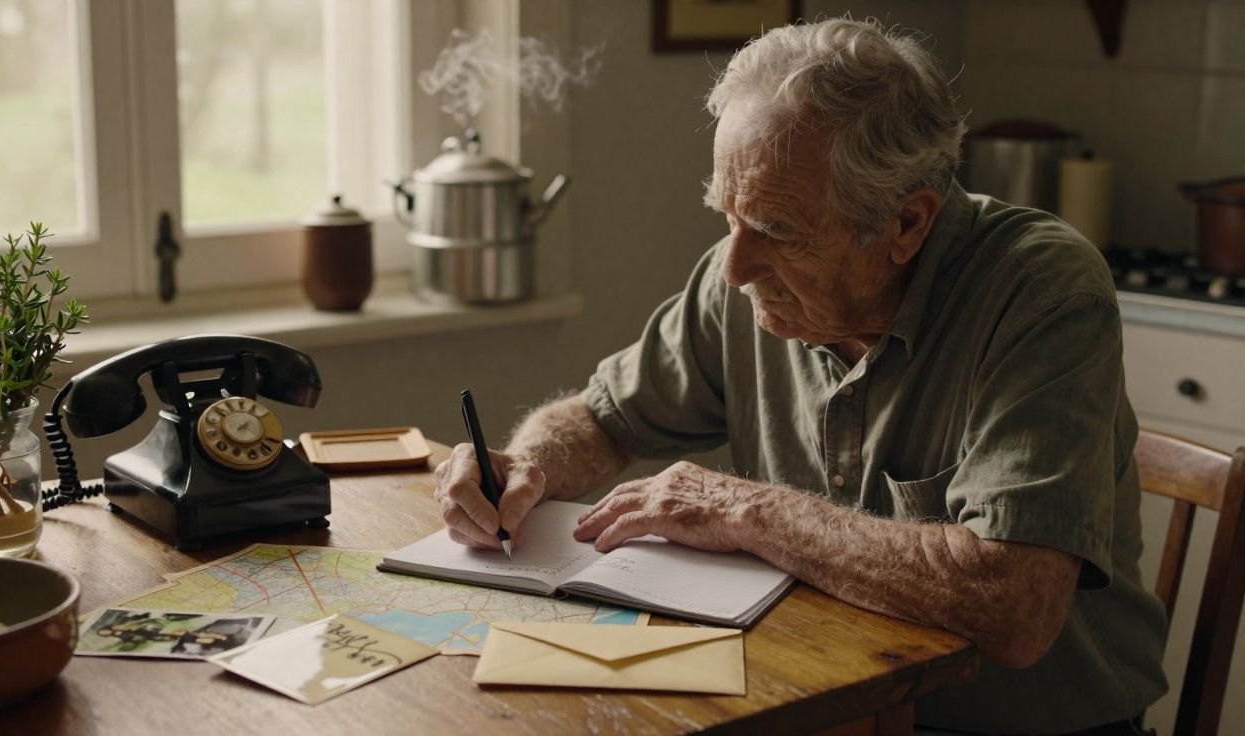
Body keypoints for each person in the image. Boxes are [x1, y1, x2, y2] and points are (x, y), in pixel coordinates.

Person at [433, 18, 1167, 735]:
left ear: (907, 225)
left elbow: (1013, 606)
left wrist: (746, 512)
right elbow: (600, 419)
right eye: (728, 215)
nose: (736, 266)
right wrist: (524, 465)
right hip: (823, 698)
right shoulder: (746, 280)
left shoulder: (1041, 291)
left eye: (779, 230)